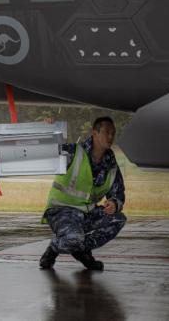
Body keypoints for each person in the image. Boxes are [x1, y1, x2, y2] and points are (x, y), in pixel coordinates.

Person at [39, 116, 127, 271]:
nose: (111, 137)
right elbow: (48, 151)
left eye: (113, 133)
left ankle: (79, 248)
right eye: (106, 132)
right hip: (61, 211)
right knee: (73, 238)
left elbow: (118, 193)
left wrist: (114, 203)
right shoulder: (74, 152)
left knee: (118, 219)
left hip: (86, 214)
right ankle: (55, 248)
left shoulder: (111, 165)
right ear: (94, 133)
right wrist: (47, 131)